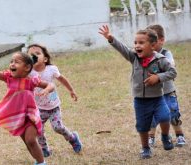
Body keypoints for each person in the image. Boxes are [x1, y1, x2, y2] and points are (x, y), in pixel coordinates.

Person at [99, 25, 177, 159]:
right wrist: (111, 38)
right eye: (135, 43)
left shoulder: (160, 59)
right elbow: (122, 48)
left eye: (141, 42)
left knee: (165, 117)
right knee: (142, 126)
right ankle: (145, 148)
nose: (137, 46)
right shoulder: (134, 57)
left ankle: (165, 137)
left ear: (153, 45)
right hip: (140, 101)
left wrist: (158, 77)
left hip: (157, 98)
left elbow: (172, 72)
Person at [0, 51, 55, 165]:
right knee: (28, 143)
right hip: (18, 117)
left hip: (30, 115)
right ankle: (38, 161)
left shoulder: (31, 81)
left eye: (16, 62)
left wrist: (47, 89)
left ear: (27, 67)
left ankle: (42, 162)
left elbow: (51, 85)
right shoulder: (8, 78)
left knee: (31, 140)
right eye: (11, 61)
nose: (12, 64)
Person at [27, 44, 82, 157]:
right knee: (39, 130)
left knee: (57, 127)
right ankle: (44, 149)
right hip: (39, 107)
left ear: (45, 59)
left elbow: (61, 79)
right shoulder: (29, 72)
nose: (34, 56)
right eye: (31, 55)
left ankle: (72, 138)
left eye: (37, 53)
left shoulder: (51, 69)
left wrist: (71, 90)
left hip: (53, 106)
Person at [146, 24, 186, 147]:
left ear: (162, 40)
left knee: (173, 114)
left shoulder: (166, 53)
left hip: (168, 91)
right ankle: (151, 137)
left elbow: (170, 64)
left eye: (154, 41)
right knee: (152, 117)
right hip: (152, 94)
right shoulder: (146, 55)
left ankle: (179, 135)